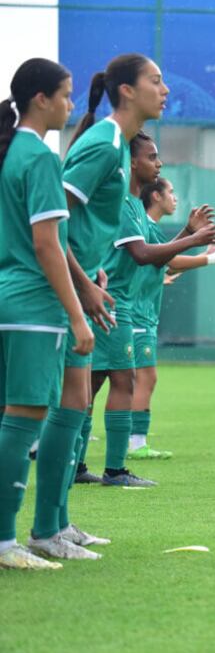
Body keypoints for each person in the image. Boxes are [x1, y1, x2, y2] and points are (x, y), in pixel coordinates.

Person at [34, 53, 171, 558]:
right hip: (52, 291)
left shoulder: (114, 145)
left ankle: (56, 524)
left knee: (74, 404)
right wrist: (82, 288)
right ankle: (39, 531)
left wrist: (94, 272)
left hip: (78, 286)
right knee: (52, 408)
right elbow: (49, 222)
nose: (166, 89)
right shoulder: (104, 142)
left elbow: (78, 228)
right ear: (127, 90)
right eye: (156, 81)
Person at [88, 133, 215, 485]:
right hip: (117, 306)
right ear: (133, 163)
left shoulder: (133, 205)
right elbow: (142, 255)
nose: (159, 163)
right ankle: (115, 470)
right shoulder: (123, 203)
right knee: (121, 381)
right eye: (152, 157)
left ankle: (75, 466)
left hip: (121, 307)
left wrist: (188, 234)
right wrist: (197, 242)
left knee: (93, 383)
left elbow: (154, 257)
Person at [0, 58, 94, 570]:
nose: (70, 105)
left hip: (5, 299)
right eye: (65, 95)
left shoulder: (9, 151)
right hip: (34, 305)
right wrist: (77, 315)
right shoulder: (38, 156)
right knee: (23, 421)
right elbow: (47, 244)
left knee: (9, 420)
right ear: (41, 99)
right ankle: (6, 543)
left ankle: (28, 534)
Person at [127, 172, 215, 461]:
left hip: (142, 315)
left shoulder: (149, 227)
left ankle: (120, 441)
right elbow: (167, 258)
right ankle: (133, 444)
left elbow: (164, 262)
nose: (175, 197)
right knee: (141, 378)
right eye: (171, 191)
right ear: (156, 196)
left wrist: (191, 241)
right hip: (136, 316)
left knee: (121, 379)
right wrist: (211, 257)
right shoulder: (144, 224)